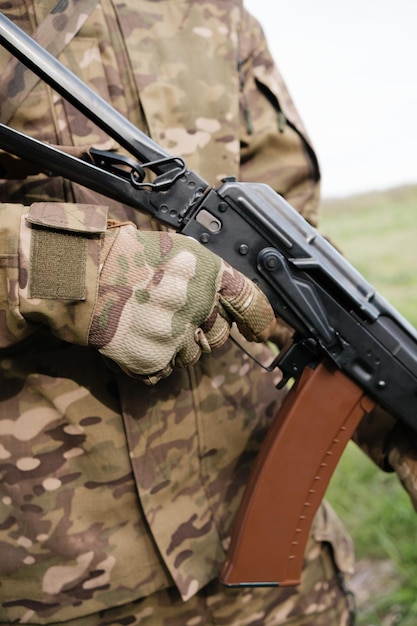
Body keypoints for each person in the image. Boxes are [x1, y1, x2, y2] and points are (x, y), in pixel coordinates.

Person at [0, 1, 415, 625]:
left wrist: (400, 422)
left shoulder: (216, 11)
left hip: (285, 579)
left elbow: (302, 273)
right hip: (56, 584)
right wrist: (72, 270)